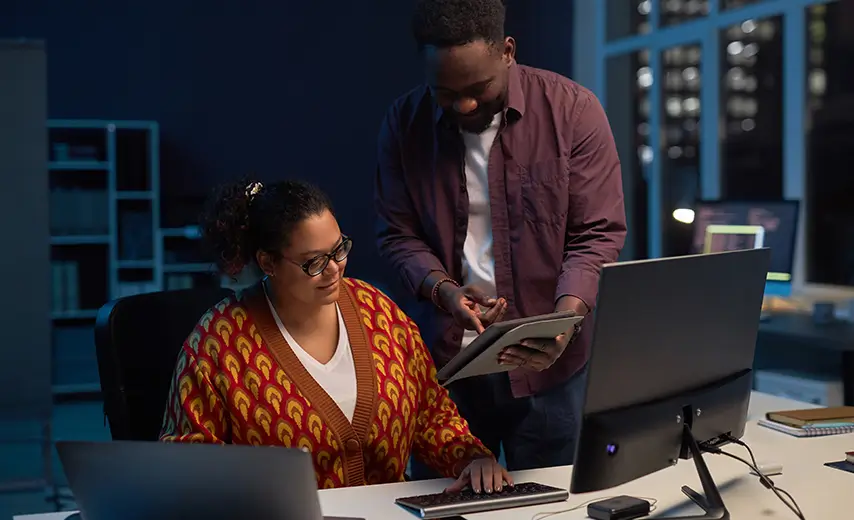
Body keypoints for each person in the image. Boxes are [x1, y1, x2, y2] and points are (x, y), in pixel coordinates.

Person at [375, 0, 626, 476]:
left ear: (508, 51)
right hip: (447, 367)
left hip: (553, 370)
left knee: (559, 507)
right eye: (445, 93)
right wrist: (444, 292)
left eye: (478, 87)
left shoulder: (573, 111)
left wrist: (563, 322)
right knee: (444, 503)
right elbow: (396, 235)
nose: (464, 105)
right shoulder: (402, 125)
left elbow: (596, 235)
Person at [160, 178, 511, 493]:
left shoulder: (379, 312)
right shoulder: (218, 343)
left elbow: (431, 415)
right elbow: (188, 466)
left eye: (339, 250)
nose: (334, 270)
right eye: (313, 262)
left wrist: (471, 458)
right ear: (268, 263)